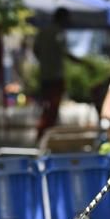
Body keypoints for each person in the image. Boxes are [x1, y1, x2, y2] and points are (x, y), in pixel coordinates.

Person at [33, 8, 82, 139]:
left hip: (45, 76)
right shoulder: (58, 33)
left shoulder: (43, 32)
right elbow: (65, 52)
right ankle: (44, 136)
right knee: (51, 110)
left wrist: (45, 61)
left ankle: (44, 136)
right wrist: (82, 62)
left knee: (47, 108)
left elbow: (36, 50)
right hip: (55, 77)